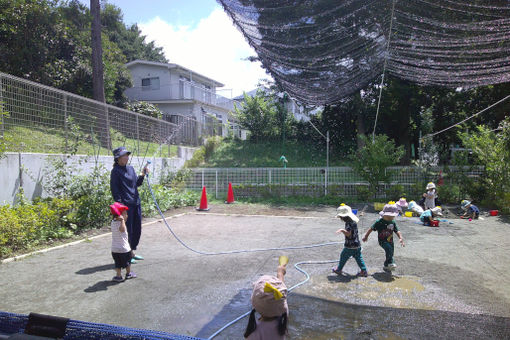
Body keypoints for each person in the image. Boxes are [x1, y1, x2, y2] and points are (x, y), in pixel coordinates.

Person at [110, 146, 149, 263]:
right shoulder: (115, 172)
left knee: (137, 229)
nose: (126, 157)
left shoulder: (130, 169)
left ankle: (132, 252)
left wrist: (142, 174)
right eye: (124, 155)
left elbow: (136, 183)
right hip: (126, 206)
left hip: (136, 202)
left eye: (127, 155)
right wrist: (122, 209)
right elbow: (115, 191)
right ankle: (127, 255)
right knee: (128, 230)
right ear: (118, 158)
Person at [244, 263, 288, 339]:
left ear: (254, 303)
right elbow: (280, 294)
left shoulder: (254, 333)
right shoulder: (283, 316)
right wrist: (280, 274)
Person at [362, 203, 405, 271]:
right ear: (384, 215)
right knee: (388, 249)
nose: (392, 217)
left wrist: (400, 238)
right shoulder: (379, 222)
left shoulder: (392, 222)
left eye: (393, 216)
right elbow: (371, 229)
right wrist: (366, 236)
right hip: (382, 240)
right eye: (390, 216)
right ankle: (391, 263)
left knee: (391, 253)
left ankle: (386, 265)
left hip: (390, 240)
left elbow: (397, 231)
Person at [331, 204, 368, 277]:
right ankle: (364, 271)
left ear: (343, 217)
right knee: (358, 258)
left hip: (350, 246)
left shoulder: (348, 223)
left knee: (343, 256)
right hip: (357, 245)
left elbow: (348, 234)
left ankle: (339, 269)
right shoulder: (353, 221)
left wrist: (342, 230)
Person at [109, 202, 136, 282]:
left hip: (114, 249)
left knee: (117, 264)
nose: (127, 215)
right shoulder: (121, 223)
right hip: (124, 249)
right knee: (127, 262)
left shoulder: (113, 222)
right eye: (125, 214)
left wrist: (121, 219)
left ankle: (118, 276)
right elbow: (122, 230)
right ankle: (128, 273)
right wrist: (122, 221)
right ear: (120, 216)